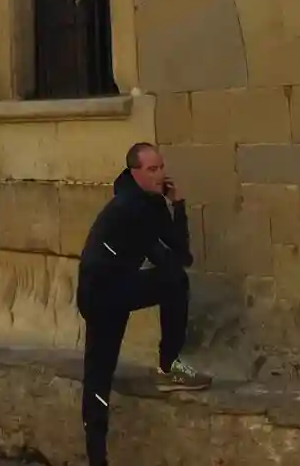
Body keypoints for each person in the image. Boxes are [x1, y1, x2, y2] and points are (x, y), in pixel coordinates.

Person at [76, 142, 207, 466]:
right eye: (152, 169)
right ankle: (97, 458)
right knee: (98, 376)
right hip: (99, 294)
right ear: (135, 173)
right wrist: (169, 257)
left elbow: (181, 256)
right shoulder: (130, 207)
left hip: (119, 285)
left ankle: (168, 364)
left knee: (175, 279)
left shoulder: (153, 204)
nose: (160, 174)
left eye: (161, 167)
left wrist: (178, 206)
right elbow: (170, 258)